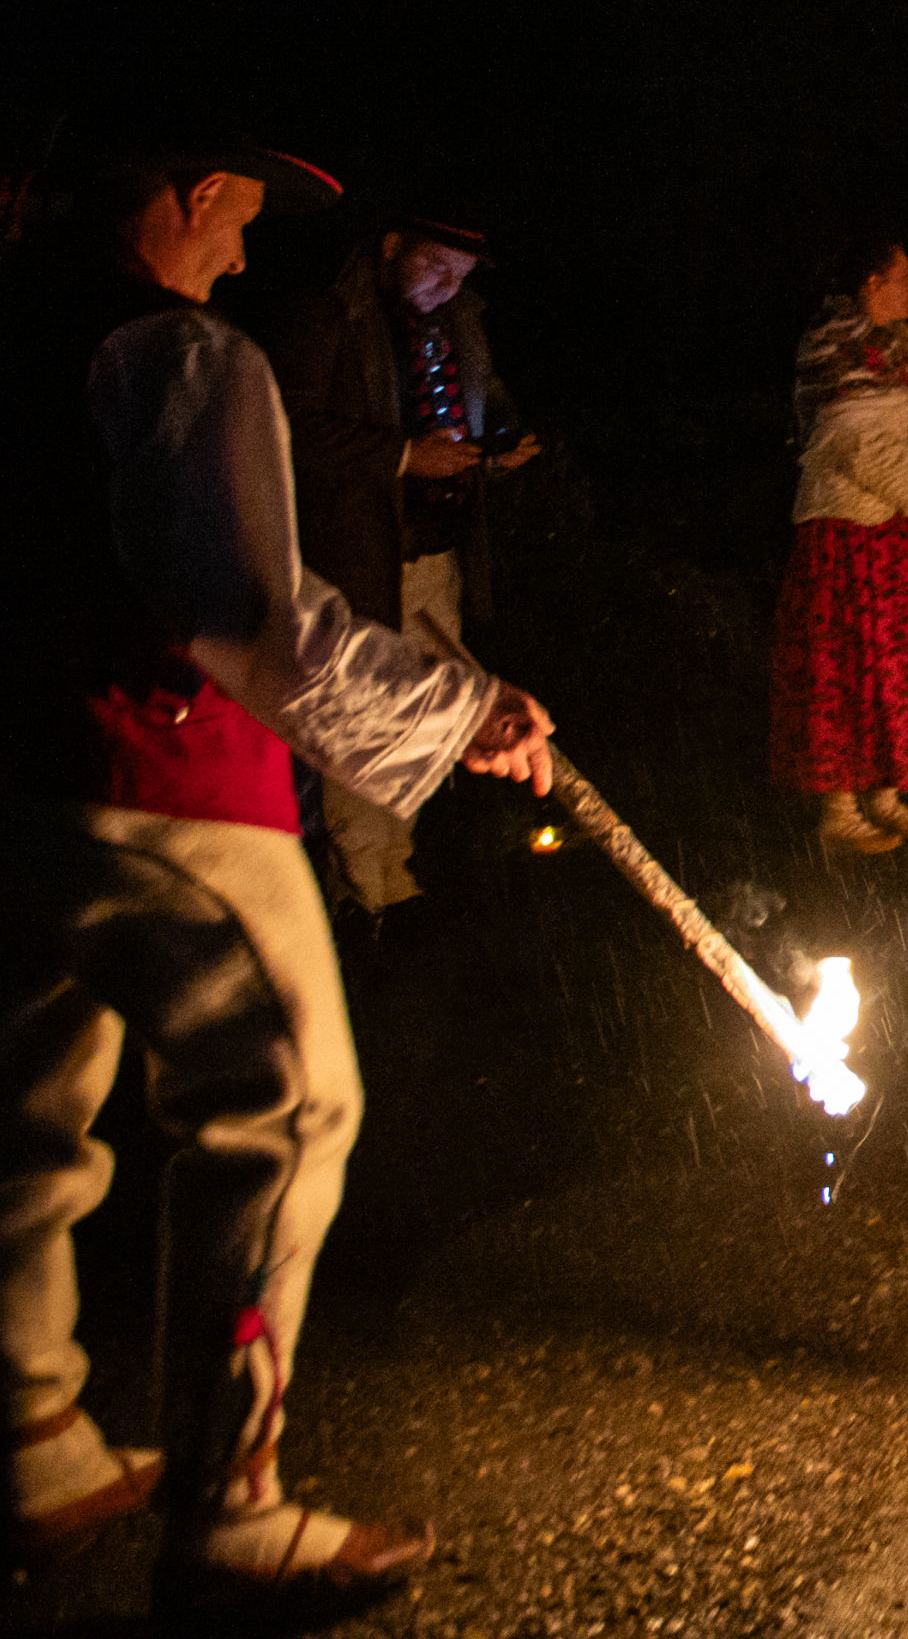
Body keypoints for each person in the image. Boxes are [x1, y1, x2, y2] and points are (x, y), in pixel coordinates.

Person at [1, 119, 553, 1616]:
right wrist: (464, 708)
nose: (241, 251)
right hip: (152, 787)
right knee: (289, 1102)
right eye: (237, 214)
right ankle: (227, 1504)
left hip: (9, 787)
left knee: (29, 1103)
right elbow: (247, 611)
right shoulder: (180, 357)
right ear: (186, 196)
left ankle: (30, 1429)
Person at [268, 209, 540, 911]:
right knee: (362, 707)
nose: (446, 288)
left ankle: (397, 877)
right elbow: (289, 425)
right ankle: (356, 888)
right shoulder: (332, 315)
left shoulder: (458, 324)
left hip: (433, 551)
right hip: (357, 553)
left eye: (461, 277)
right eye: (433, 267)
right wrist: (402, 456)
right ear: (390, 246)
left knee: (435, 708)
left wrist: (501, 449)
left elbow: (489, 406)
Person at [769, 238, 908, 855]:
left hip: (907, 534)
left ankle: (887, 792)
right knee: (847, 666)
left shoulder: (905, 351)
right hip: (849, 529)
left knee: (899, 665)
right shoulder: (832, 347)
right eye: (904, 277)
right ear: (870, 282)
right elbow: (850, 444)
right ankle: (839, 810)